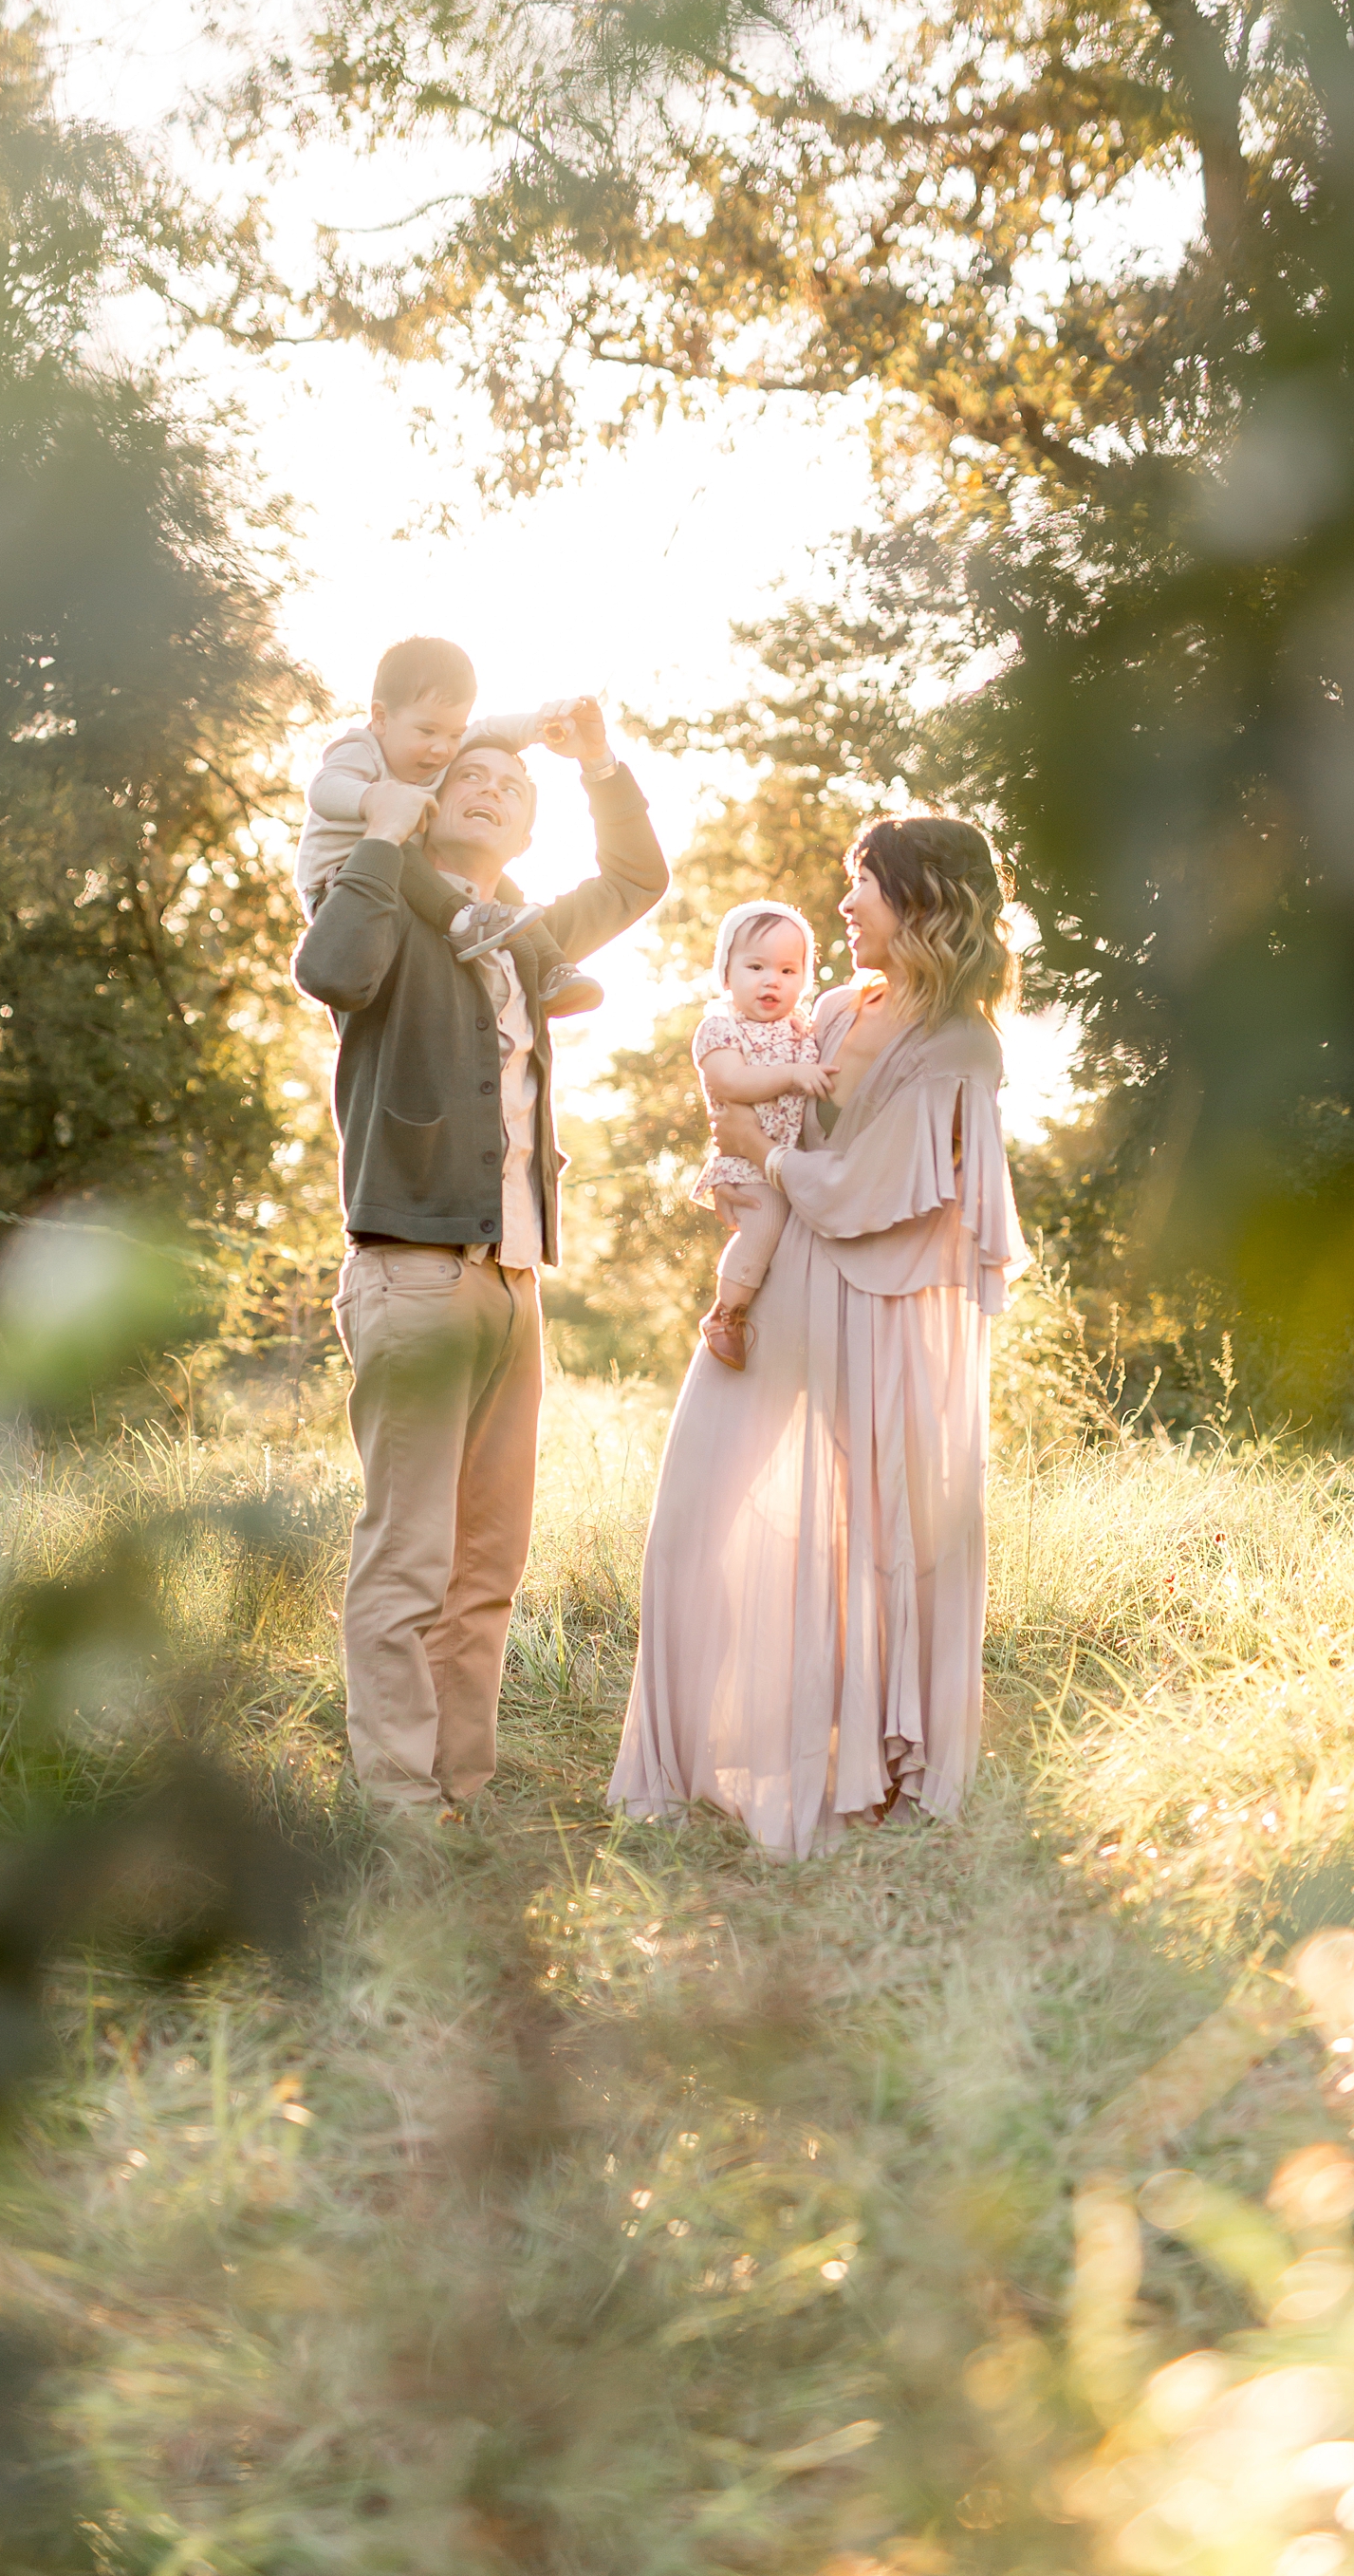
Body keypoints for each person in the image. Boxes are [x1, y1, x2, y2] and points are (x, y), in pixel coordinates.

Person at [608, 815, 1026, 1857]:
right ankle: (678, 1754)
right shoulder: (838, 1006)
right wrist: (742, 1160)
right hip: (793, 1285)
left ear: (921, 899)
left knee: (877, 1538)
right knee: (694, 1512)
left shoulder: (961, 1044)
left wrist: (773, 1162)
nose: (844, 907)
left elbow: (868, 1186)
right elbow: (751, 1101)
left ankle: (876, 1766)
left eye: (863, 886)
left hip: (876, 1311)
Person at [293, 704, 668, 1816]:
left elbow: (636, 880)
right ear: (429, 797)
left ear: (527, 822)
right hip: (409, 1271)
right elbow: (332, 974)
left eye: (514, 781)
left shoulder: (523, 940)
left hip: (514, 1284)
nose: (494, 784)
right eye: (471, 773)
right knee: (408, 1562)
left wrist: (596, 762)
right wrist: (377, 839)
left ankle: (460, 1793)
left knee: (486, 1571)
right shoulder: (382, 905)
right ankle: (397, 1811)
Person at [295, 636, 603, 1014]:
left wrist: (541, 724)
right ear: (380, 717)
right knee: (405, 851)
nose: (442, 749)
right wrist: (373, 800)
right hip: (340, 883)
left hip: (400, 877)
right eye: (426, 732)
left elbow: (492, 730)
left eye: (454, 735)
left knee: (501, 888)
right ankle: (460, 919)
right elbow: (324, 789)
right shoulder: (362, 749)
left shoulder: (442, 751)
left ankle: (552, 967)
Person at [687, 901, 834, 1371]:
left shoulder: (801, 1030)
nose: (772, 980)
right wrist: (794, 1074)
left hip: (788, 1158)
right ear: (726, 974)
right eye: (756, 966)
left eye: (788, 969)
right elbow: (731, 1083)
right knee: (765, 1221)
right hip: (747, 1162)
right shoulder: (720, 1029)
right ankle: (725, 1313)